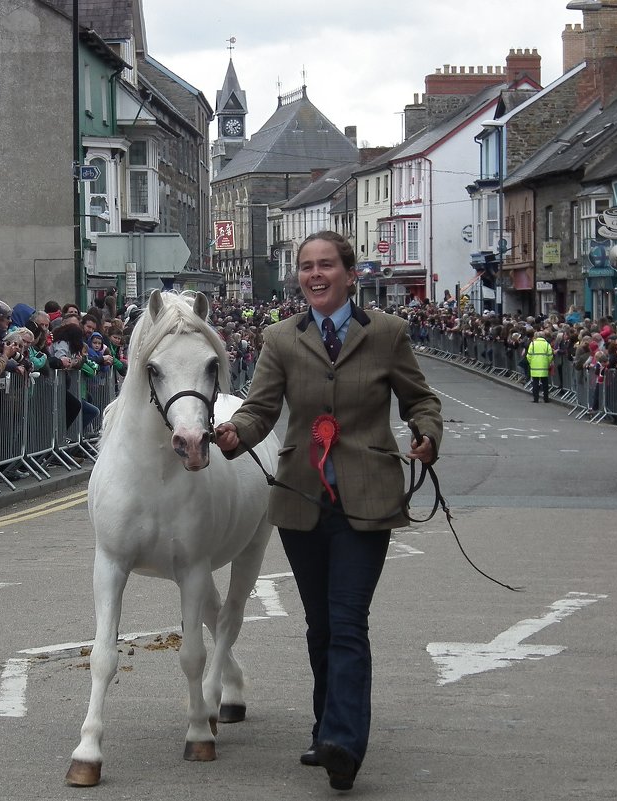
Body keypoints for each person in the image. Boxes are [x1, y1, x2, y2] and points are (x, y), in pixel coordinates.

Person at [214, 231, 442, 793]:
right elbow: (261, 409)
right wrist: (232, 435)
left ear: (349, 273)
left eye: (326, 266)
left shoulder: (387, 334)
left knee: (347, 621)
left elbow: (420, 399)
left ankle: (343, 740)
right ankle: (327, 734)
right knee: (320, 627)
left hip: (367, 499)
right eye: (306, 267)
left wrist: (427, 433)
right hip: (301, 498)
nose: (315, 275)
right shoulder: (281, 339)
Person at [526, 328, 554, 403]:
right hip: (544, 365)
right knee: (545, 383)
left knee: (535, 382)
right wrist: (548, 362)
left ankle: (536, 399)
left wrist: (531, 362)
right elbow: (550, 355)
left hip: (534, 366)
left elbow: (528, 355)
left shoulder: (533, 344)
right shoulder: (547, 344)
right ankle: (546, 398)